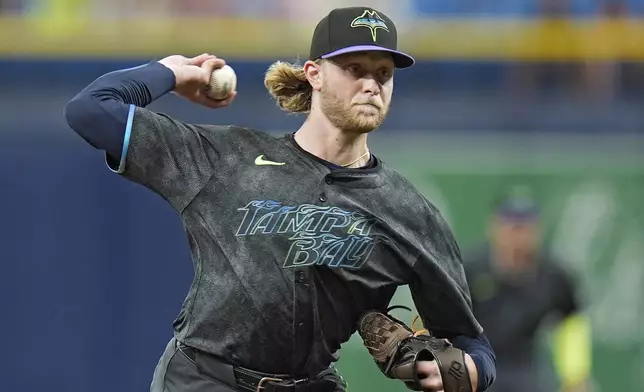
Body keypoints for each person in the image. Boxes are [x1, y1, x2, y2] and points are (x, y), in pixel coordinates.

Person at [64, 6, 496, 392]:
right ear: (315, 73)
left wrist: (471, 369)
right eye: (354, 68)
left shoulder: (408, 212)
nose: (370, 84)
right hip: (202, 379)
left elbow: (469, 340)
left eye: (383, 73)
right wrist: (172, 72)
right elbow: (91, 109)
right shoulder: (224, 159)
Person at [464, 190, 591, 392]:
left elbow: (570, 322)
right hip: (478, 359)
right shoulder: (470, 270)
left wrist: (575, 376)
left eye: (525, 228)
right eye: (512, 227)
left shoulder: (554, 276)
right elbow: (445, 317)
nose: (518, 236)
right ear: (494, 227)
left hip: (525, 366)